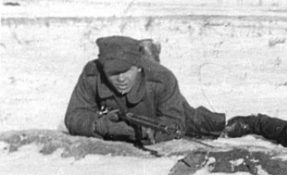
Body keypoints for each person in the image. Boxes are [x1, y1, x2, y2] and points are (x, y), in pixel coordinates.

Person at [64, 36, 226, 145]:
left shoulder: (162, 79)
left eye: (126, 70)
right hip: (124, 113)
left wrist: (145, 134)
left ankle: (245, 124)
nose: (121, 78)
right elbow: (74, 116)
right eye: (113, 73)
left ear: (139, 67)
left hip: (159, 112)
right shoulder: (92, 74)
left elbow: (175, 124)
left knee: (204, 123)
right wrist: (100, 126)